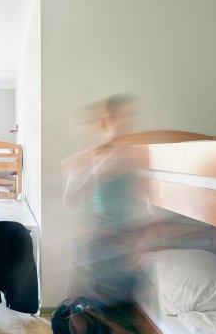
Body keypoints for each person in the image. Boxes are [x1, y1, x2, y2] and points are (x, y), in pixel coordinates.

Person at [61, 94, 149, 333]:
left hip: (123, 237)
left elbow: (145, 197)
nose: (126, 122)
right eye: (119, 116)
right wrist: (97, 169)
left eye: (130, 116)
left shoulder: (134, 154)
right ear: (106, 121)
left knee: (121, 314)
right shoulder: (90, 157)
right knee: (83, 311)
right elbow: (69, 200)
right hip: (96, 237)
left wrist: (143, 239)